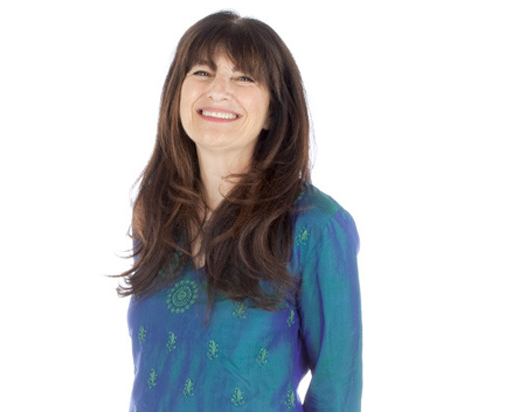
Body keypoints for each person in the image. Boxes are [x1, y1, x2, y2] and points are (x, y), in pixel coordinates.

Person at [115, 10, 362, 412]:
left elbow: (339, 393)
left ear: (273, 113)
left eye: (244, 78)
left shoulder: (316, 226)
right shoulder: (155, 212)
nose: (218, 90)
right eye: (202, 72)